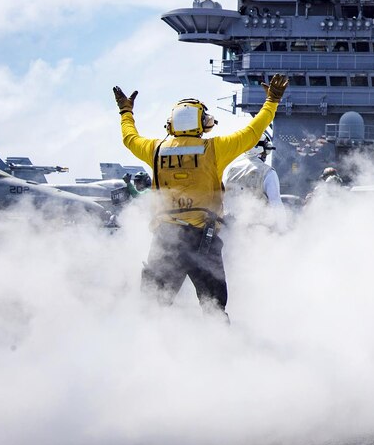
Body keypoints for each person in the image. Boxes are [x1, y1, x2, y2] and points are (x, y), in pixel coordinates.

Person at [113, 74, 287, 317]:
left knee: (152, 308)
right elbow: (253, 131)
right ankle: (218, 349)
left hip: (165, 239)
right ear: (201, 122)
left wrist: (126, 113)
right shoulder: (214, 149)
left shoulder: (156, 150)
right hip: (202, 241)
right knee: (214, 309)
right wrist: (272, 100)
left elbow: (129, 139)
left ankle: (147, 350)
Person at [223, 136, 285, 229]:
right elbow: (276, 204)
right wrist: (283, 229)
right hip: (257, 231)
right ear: (261, 149)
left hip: (231, 229)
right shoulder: (268, 172)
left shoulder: (232, 169)